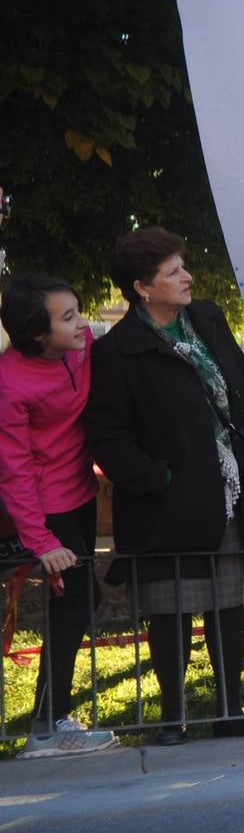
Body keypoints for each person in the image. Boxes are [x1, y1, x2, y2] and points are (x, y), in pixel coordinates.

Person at [85, 226, 244, 744]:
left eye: (182, 266)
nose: (187, 277)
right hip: (166, 505)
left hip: (227, 489)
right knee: (168, 607)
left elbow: (243, 389)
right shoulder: (118, 351)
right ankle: (173, 717)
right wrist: (158, 478)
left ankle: (229, 709)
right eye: (172, 272)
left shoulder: (207, 319)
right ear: (142, 287)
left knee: (226, 602)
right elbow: (107, 432)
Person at [0, 275, 117, 758]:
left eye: (79, 310)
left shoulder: (82, 343)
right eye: (67, 317)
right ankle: (46, 728)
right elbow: (14, 469)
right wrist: (41, 540)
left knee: (79, 603)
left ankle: (52, 720)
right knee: (73, 605)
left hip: (83, 492)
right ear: (36, 334)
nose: (83, 323)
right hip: (47, 507)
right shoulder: (8, 383)